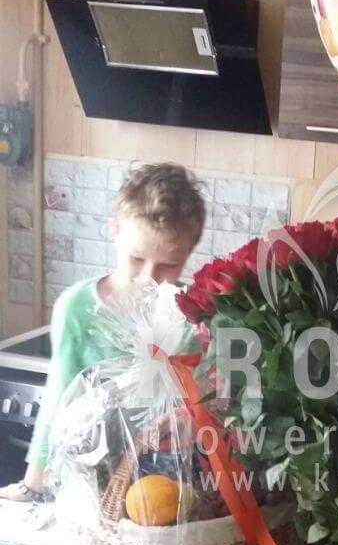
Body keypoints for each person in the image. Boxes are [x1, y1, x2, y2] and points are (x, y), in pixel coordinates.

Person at [0, 163, 207, 503]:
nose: (149, 277)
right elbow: (59, 398)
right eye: (136, 258)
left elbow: (205, 402)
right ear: (114, 230)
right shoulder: (77, 308)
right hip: (87, 478)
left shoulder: (190, 315)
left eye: (169, 265)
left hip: (165, 482)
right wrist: (34, 483)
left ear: (189, 251)